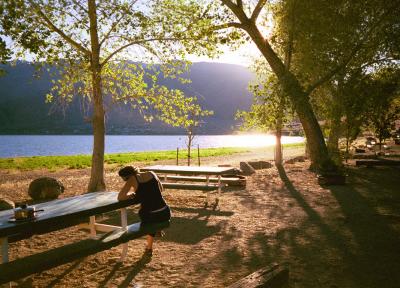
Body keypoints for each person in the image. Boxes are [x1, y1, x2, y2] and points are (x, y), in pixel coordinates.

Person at [118, 166, 171, 255]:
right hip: (165, 212)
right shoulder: (151, 173)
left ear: (127, 176)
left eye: (123, 179)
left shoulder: (131, 179)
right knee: (152, 211)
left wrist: (132, 195)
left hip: (150, 216)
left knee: (146, 211)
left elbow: (120, 197)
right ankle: (150, 245)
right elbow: (161, 189)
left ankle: (150, 245)